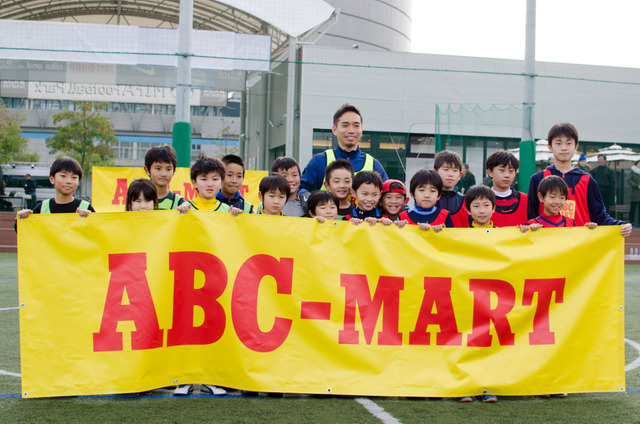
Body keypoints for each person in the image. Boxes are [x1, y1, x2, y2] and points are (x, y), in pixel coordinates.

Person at [527, 123, 632, 236]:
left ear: (576, 146)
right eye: (558, 143)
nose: (564, 148)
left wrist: (620, 225)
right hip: (547, 246)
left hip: (579, 246)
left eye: (569, 143)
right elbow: (530, 216)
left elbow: (599, 216)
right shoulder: (538, 179)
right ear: (550, 146)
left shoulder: (587, 180)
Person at [299, 104, 388, 193]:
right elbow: (300, 189)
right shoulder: (321, 160)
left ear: (361, 129)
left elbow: (387, 195)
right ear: (334, 129)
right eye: (345, 125)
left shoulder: (373, 164)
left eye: (356, 125)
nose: (351, 130)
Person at [16, 157, 94, 230]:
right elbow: (26, 232)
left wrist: (91, 219)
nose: (69, 181)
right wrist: (21, 218)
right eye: (63, 176)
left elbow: (98, 234)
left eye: (74, 177)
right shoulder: (42, 208)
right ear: (52, 179)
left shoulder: (86, 207)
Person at [526, 175, 597, 230]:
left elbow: (577, 242)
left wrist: (587, 230)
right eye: (552, 197)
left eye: (562, 197)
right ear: (540, 197)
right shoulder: (532, 224)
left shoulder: (571, 222)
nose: (557, 202)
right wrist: (529, 231)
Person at [486, 151, 528, 227]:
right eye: (502, 170)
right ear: (490, 172)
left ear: (515, 173)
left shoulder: (524, 199)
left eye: (511, 171)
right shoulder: (482, 199)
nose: (507, 175)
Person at [144, 145, 189, 214]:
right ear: (147, 170)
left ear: (174, 171)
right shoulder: (138, 199)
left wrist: (184, 211)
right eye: (158, 169)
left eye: (168, 169)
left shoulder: (179, 202)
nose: (163, 174)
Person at [434, 150, 468, 228]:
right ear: (435, 172)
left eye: (455, 170)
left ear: (460, 175)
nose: (450, 174)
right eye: (446, 169)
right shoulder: (428, 200)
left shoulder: (466, 202)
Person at [627, 159, 640, 227]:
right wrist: (636, 186)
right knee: (633, 209)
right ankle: (631, 222)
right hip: (634, 194)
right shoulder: (632, 171)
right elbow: (629, 180)